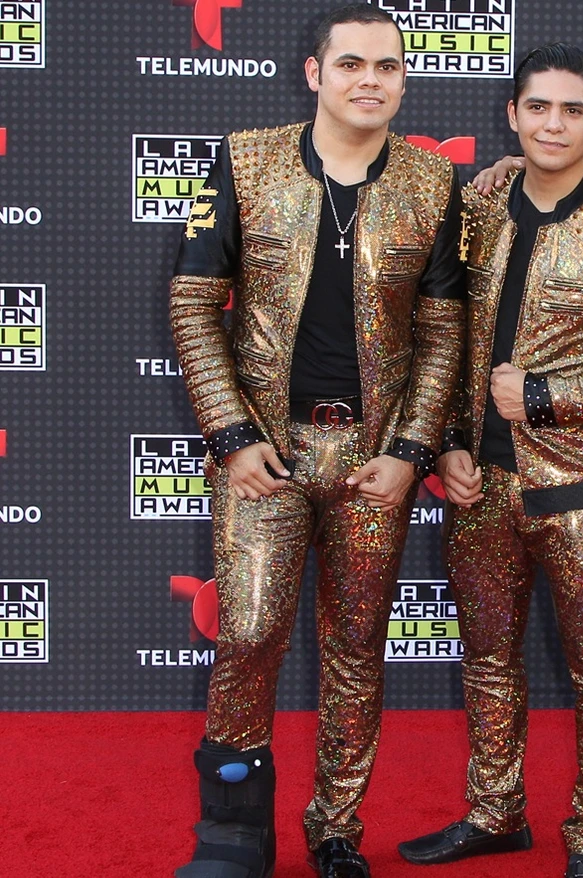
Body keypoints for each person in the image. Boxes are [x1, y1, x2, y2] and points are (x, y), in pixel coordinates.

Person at [168, 5, 465, 878]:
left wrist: (411, 450)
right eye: (352, 64)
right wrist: (231, 434)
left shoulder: (431, 182)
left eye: (388, 66)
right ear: (315, 73)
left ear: (403, 79)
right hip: (266, 452)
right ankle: (232, 832)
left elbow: (443, 332)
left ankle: (336, 831)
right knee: (249, 631)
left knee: (357, 647)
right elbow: (194, 304)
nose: (371, 80)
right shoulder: (245, 161)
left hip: (375, 461)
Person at [394, 43, 583, 878]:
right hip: (479, 485)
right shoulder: (476, 208)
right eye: (538, 108)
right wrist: (448, 443)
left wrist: (548, 398)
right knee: (488, 660)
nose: (552, 124)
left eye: (571, 110)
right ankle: (495, 813)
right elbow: (443, 341)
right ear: (513, 115)